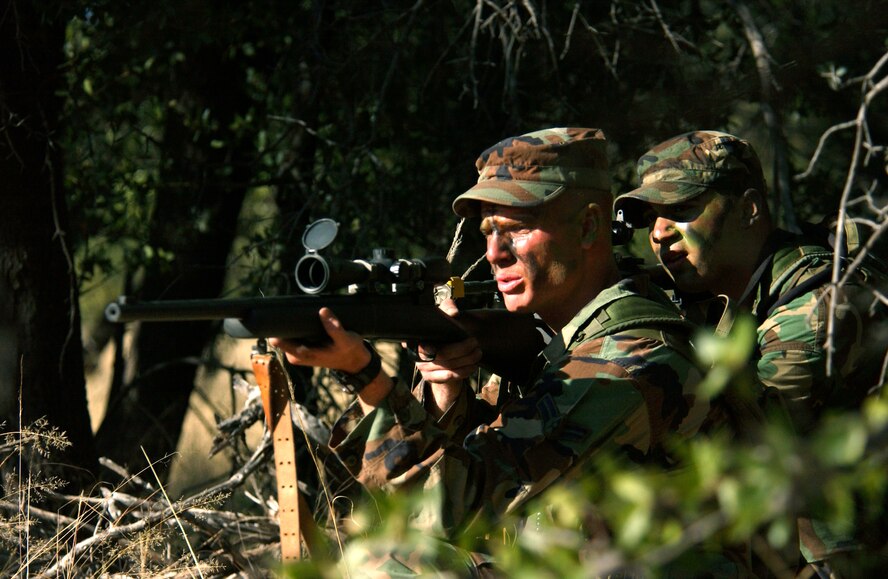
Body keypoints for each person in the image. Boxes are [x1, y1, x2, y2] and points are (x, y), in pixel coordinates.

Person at [270, 127, 719, 575]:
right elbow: (459, 476)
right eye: (488, 231)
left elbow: (455, 510)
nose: (494, 254)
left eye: (517, 229)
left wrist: (368, 377)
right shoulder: (547, 342)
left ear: (588, 226)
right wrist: (446, 392)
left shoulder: (629, 360)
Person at [614, 129, 887, 575]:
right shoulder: (724, 296)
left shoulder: (810, 311)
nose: (659, 234)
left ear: (748, 209)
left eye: (681, 210)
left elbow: (735, 450)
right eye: (650, 219)